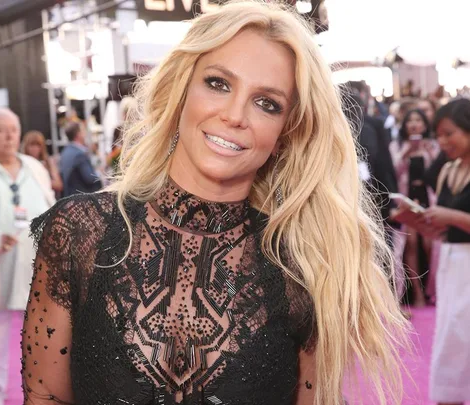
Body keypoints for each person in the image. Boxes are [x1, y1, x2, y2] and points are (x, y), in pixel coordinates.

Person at [21, 2, 409, 405]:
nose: (235, 114)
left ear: (285, 134)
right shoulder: (81, 232)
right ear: (182, 87)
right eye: (219, 83)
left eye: (267, 103)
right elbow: (46, 394)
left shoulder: (302, 266)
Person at [0, 108, 55, 405]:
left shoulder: (35, 168)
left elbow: (55, 209)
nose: (11, 136)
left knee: (46, 351)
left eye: (15, 129)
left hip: (38, 275)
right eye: (2, 130)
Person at [420, 98, 470, 405]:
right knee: (450, 338)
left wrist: (450, 217)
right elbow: (443, 229)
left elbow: (452, 219)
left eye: (449, 133)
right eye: (438, 134)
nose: (442, 141)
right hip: (452, 263)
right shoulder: (448, 170)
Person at [390, 109, 439, 307]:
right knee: (410, 245)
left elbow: (438, 173)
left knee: (430, 245)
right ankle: (417, 293)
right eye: (410, 120)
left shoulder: (433, 145)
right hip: (406, 199)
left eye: (418, 120)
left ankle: (433, 290)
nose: (414, 124)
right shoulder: (397, 145)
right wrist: (406, 153)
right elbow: (392, 172)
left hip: (427, 199)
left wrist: (428, 152)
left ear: (425, 125)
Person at [59, 121, 102, 197]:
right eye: (83, 130)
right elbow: (90, 178)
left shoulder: (65, 152)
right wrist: (100, 173)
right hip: (81, 199)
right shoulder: (79, 154)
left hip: (69, 198)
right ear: (78, 134)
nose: (85, 133)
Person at [21, 130, 63, 195]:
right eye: (32, 145)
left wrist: (42, 178)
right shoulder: (21, 162)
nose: (35, 148)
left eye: (38, 145)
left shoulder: (48, 162)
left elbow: (59, 184)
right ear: (26, 146)